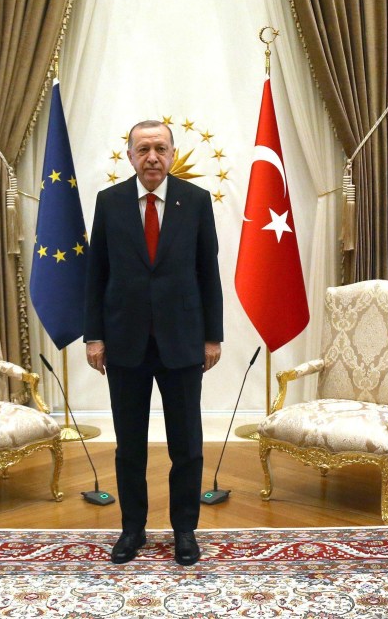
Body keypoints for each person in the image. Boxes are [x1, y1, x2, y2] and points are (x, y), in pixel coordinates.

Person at [85, 119, 223, 566]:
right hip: (125, 344)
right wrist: (94, 336)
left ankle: (185, 531)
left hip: (182, 342)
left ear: (172, 153)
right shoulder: (110, 202)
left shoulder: (196, 201)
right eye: (143, 149)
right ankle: (133, 530)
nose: (152, 157)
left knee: (187, 444)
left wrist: (212, 336)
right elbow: (96, 276)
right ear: (129, 155)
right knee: (129, 446)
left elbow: (208, 273)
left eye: (160, 148)